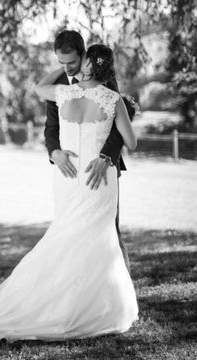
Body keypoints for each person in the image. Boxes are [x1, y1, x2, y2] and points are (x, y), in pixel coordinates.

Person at [0, 43, 138, 342]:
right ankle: (94, 306)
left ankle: (58, 301)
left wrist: (68, 70)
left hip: (69, 177)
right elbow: (131, 143)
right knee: (97, 239)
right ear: (107, 68)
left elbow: (39, 86)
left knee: (66, 235)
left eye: (76, 62)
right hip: (100, 179)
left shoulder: (63, 93)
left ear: (85, 63)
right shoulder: (112, 99)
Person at [45, 30, 130, 271]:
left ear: (84, 55)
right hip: (69, 174)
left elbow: (118, 125)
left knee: (109, 234)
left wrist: (106, 156)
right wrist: (54, 153)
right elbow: (50, 127)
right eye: (61, 63)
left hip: (101, 172)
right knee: (68, 232)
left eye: (71, 62)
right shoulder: (59, 87)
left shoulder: (103, 78)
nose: (68, 68)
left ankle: (119, 294)